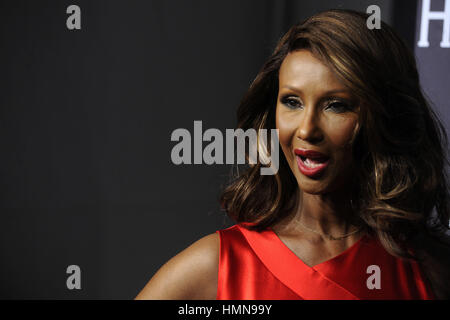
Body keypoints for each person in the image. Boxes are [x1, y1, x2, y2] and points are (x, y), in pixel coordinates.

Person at [135, 9, 450, 300]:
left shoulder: (429, 269)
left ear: (385, 117)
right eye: (292, 102)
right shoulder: (216, 267)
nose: (307, 130)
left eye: (335, 105)